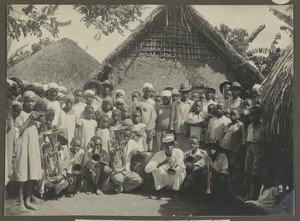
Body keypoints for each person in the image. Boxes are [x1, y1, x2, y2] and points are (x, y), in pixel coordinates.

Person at [14, 91, 45, 212]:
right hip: (22, 145)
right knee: (22, 173)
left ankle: (28, 200)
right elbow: (18, 131)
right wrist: (29, 118)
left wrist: (42, 123)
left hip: (32, 146)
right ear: (23, 101)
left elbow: (37, 132)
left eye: (32, 101)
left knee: (31, 172)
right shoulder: (20, 114)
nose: (30, 103)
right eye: (27, 101)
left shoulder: (35, 114)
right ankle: (21, 202)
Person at [145, 134, 186, 198]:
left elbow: (180, 164)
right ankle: (161, 189)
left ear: (174, 145)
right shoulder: (158, 154)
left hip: (176, 178)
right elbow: (147, 169)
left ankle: (176, 191)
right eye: (166, 144)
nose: (169, 147)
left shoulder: (179, 152)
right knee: (155, 169)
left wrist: (173, 165)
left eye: (171, 144)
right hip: (166, 178)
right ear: (163, 145)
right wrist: (162, 162)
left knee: (179, 168)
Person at [244, 106, 265, 200]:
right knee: (248, 171)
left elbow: (263, 144)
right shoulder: (249, 126)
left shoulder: (263, 127)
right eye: (250, 115)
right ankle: (248, 195)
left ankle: (255, 197)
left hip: (259, 149)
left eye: (254, 115)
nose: (252, 117)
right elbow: (248, 141)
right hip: (250, 149)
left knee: (256, 173)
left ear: (259, 115)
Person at [220, 108, 246, 173]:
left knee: (232, 164)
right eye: (231, 114)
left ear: (238, 115)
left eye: (234, 114)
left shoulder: (240, 125)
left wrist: (240, 147)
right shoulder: (228, 124)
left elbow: (243, 138)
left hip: (233, 149)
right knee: (224, 164)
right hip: (224, 147)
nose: (232, 116)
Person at [170, 82, 193, 152]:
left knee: (187, 148)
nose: (185, 94)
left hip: (188, 129)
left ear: (189, 93)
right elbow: (173, 116)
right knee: (178, 147)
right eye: (183, 92)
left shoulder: (192, 103)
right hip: (178, 128)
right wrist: (172, 129)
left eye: (186, 92)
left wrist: (189, 126)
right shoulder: (175, 104)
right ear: (180, 93)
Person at [138, 84, 157, 152]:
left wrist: (150, 128)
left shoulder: (153, 103)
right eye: (146, 91)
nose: (148, 93)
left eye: (150, 91)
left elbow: (154, 116)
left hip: (149, 128)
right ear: (143, 90)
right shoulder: (138, 101)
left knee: (149, 148)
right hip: (140, 127)